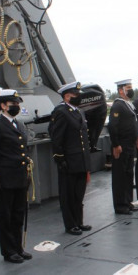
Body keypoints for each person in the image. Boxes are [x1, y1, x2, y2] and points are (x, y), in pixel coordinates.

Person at [0, 89, 32, 263]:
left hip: (19, 176)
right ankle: (8, 251)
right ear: (3, 106)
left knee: (19, 214)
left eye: (18, 104)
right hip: (5, 177)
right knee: (5, 216)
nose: (16, 106)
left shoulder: (18, 124)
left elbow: (22, 149)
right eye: (13, 104)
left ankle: (18, 248)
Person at [48, 81, 92, 235]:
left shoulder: (78, 111)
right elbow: (57, 138)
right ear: (67, 96)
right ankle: (70, 224)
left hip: (81, 160)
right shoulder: (60, 111)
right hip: (69, 161)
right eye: (76, 94)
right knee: (68, 195)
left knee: (79, 194)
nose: (79, 97)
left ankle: (79, 222)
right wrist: (60, 159)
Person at [108, 79, 138, 214]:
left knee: (128, 175)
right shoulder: (118, 105)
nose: (131, 90)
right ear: (121, 90)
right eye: (128, 87)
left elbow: (131, 124)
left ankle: (127, 201)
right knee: (120, 177)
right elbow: (113, 126)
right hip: (121, 146)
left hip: (129, 145)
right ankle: (120, 205)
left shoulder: (128, 104)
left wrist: (137, 137)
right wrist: (116, 144)